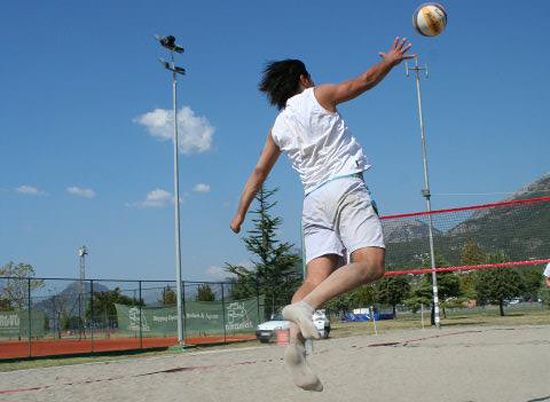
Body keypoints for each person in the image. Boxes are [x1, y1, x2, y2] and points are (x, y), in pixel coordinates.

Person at [230, 37, 415, 391]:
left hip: (313, 200)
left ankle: (295, 345)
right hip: (344, 186)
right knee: (371, 264)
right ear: (303, 79)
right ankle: (307, 307)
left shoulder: (278, 127)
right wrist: (391, 61)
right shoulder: (319, 95)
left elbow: (258, 174)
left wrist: (239, 214)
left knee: (316, 277)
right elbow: (361, 83)